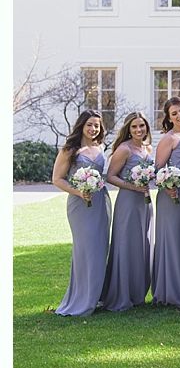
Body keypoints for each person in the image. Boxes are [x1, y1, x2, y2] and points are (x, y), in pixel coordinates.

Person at [51, 109, 111, 316]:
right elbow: (57, 179)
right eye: (90, 125)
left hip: (101, 202)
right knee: (86, 250)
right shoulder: (70, 149)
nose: (94, 129)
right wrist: (79, 191)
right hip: (80, 205)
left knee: (101, 247)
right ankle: (81, 299)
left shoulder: (100, 147)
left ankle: (96, 296)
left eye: (97, 125)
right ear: (81, 126)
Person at [102, 111, 154, 311]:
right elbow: (111, 177)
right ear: (128, 129)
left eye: (142, 126)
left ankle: (137, 293)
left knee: (143, 245)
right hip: (128, 202)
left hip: (145, 202)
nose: (139, 130)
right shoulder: (124, 149)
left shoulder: (148, 148)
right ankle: (121, 294)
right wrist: (133, 187)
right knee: (126, 245)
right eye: (134, 127)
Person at [151, 97, 180, 310]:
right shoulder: (168, 139)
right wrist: (167, 185)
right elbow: (157, 170)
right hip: (174, 194)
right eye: (175, 114)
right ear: (169, 119)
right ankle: (172, 291)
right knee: (175, 239)